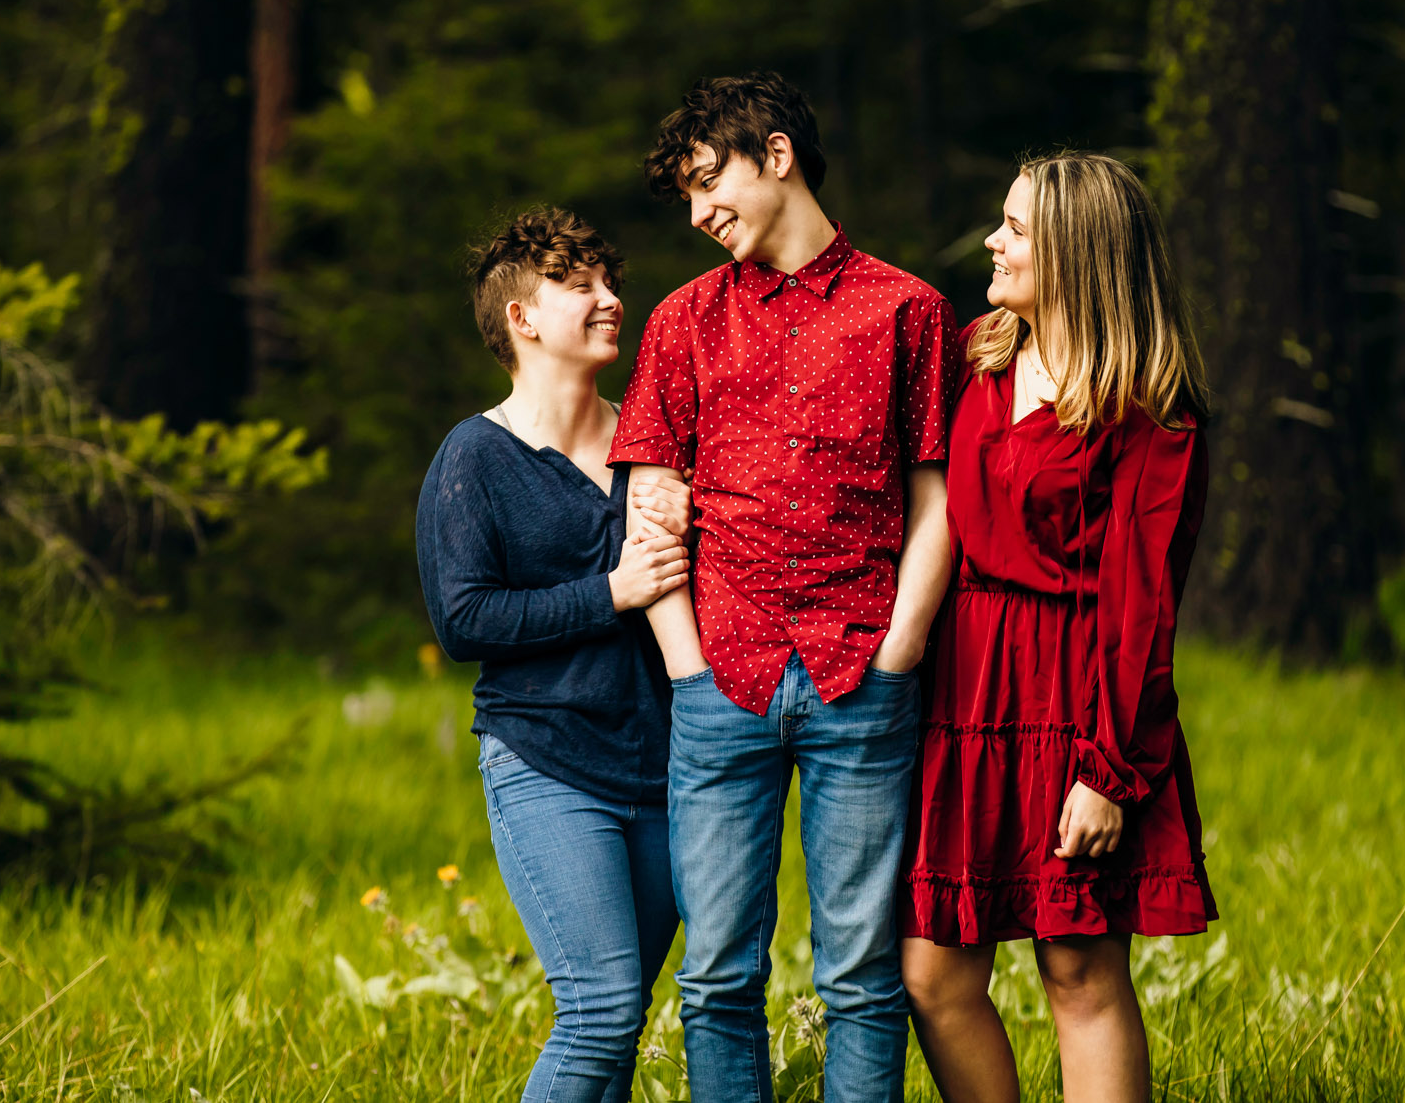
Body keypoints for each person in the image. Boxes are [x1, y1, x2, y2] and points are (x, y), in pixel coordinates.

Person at [609, 72, 961, 1102]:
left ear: (776, 155)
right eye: (682, 195)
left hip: (863, 674)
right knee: (717, 973)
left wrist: (898, 649)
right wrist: (686, 665)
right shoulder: (681, 323)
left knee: (860, 975)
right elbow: (650, 500)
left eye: (707, 179)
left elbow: (935, 500)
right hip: (720, 678)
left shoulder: (909, 311)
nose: (696, 210)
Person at [898, 153, 1219, 1103]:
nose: (993, 241)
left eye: (1017, 229)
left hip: (1076, 701)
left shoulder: (1146, 405)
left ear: (1078, 255)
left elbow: (1144, 603)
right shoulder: (978, 355)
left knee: (1076, 970)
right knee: (934, 971)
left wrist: (1109, 770)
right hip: (965, 689)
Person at [414, 208, 695, 1103]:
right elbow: (464, 622)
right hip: (547, 761)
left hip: (669, 768)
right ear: (522, 319)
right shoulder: (475, 457)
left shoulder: (651, 442)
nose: (611, 299)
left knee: (621, 1021)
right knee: (602, 1010)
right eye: (581, 286)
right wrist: (610, 591)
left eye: (610, 283)